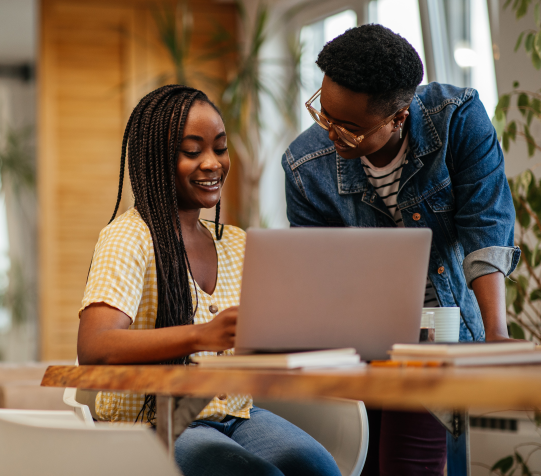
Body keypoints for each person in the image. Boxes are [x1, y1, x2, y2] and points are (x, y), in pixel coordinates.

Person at [281, 24, 520, 475]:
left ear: (399, 116)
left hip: (448, 333)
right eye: (323, 114)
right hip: (361, 346)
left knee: (435, 464)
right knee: (364, 459)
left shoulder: (457, 118)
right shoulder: (303, 165)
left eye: (349, 128)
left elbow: (485, 227)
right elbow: (319, 274)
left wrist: (496, 336)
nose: (331, 134)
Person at [78, 84, 341, 476]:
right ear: (156, 159)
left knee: (317, 467)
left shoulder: (236, 242)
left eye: (220, 147)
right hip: (155, 421)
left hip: (235, 414)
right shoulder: (128, 237)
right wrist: (202, 334)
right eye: (192, 151)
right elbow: (95, 347)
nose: (212, 163)